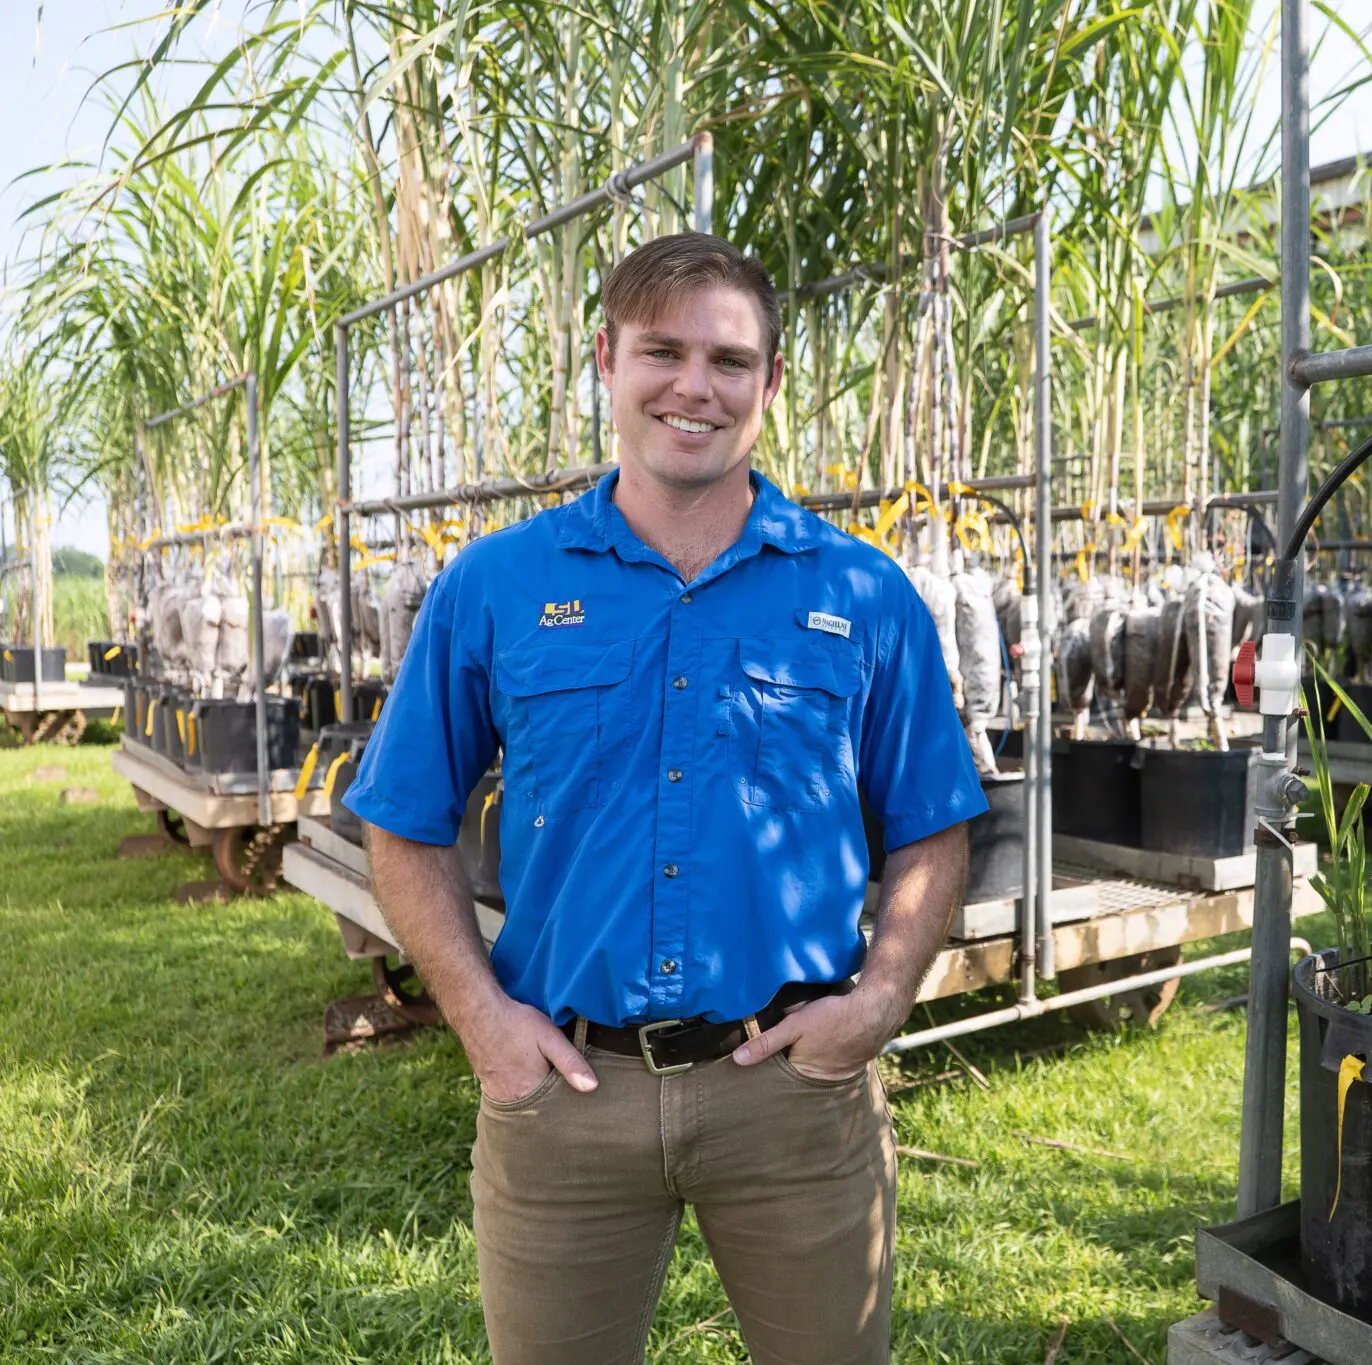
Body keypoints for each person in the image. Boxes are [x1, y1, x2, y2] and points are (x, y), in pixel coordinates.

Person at [344, 231, 987, 1365]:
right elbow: (400, 823)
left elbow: (935, 826)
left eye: (729, 361)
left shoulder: (862, 590)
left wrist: (880, 1003)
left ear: (770, 384)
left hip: (795, 1097)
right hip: (564, 1102)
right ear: (606, 359)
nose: (695, 387)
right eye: (662, 352)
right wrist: (486, 1028)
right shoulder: (497, 585)